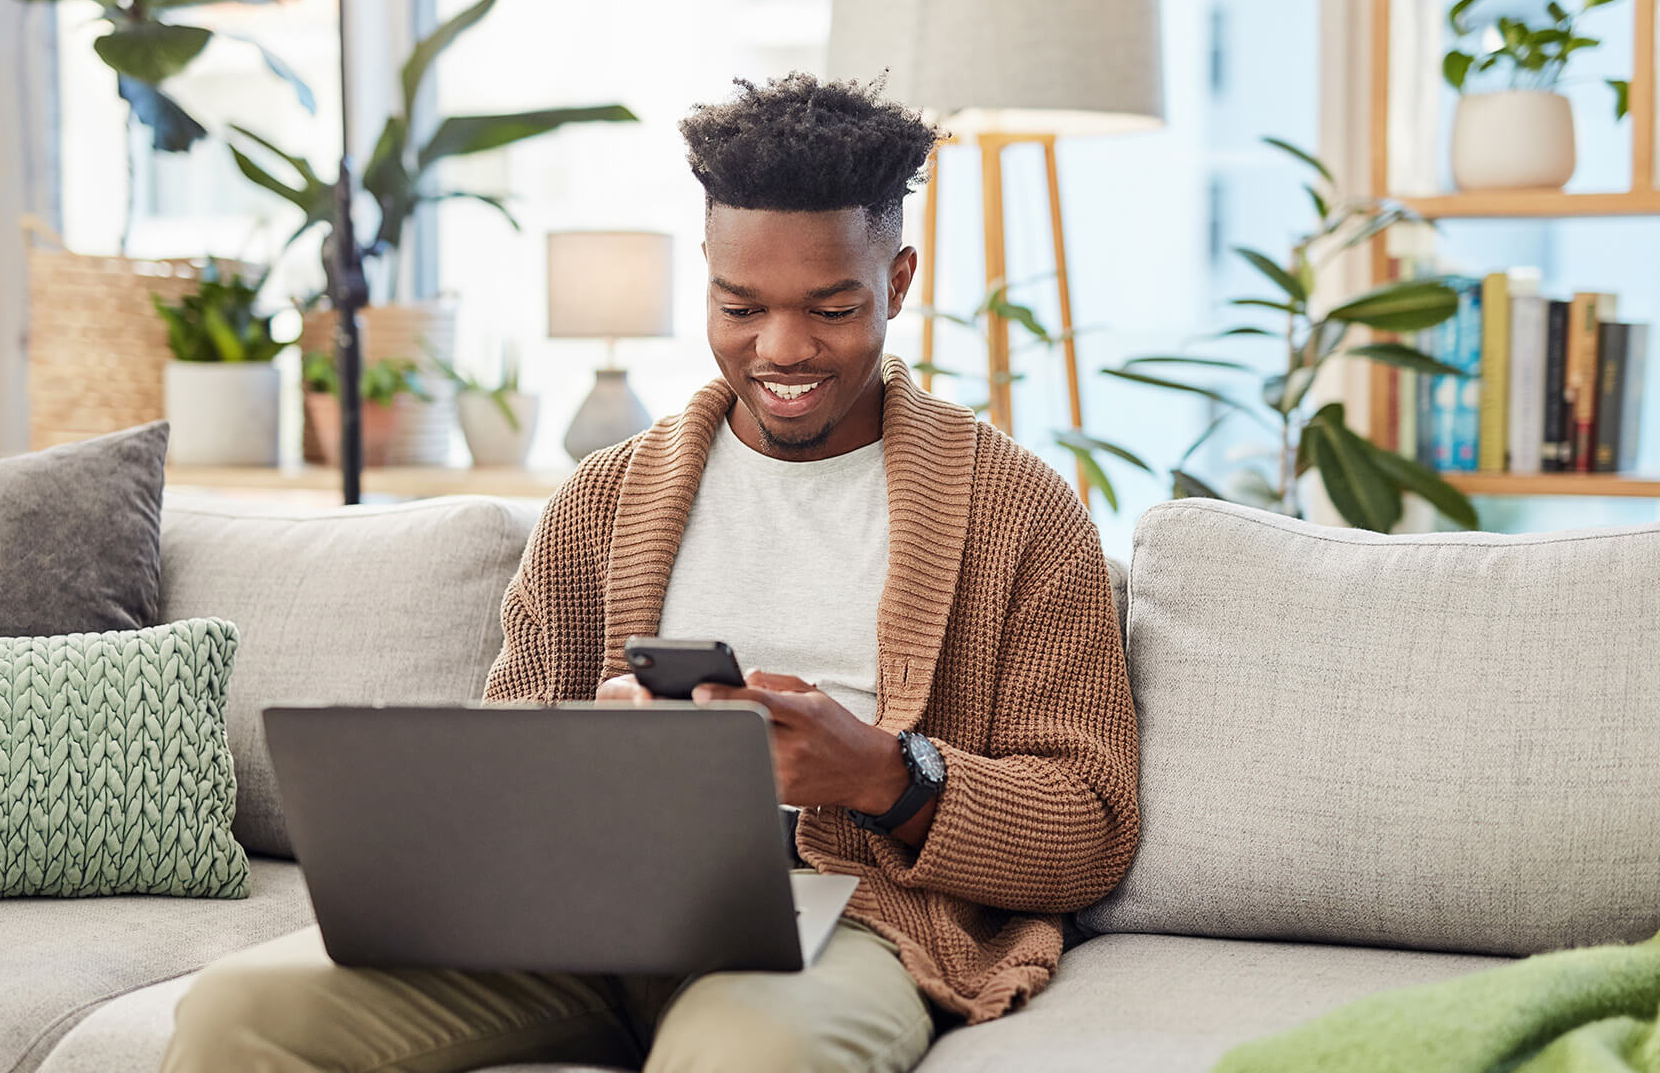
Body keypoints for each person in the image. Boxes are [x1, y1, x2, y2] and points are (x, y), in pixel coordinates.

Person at [162, 72, 1138, 1073]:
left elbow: (1092, 826)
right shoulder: (601, 500)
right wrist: (596, 757)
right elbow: (504, 769)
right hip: (579, 913)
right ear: (706, 283)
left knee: (745, 1054)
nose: (784, 349)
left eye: (833, 308)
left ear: (896, 282)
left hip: (853, 919)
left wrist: (884, 774)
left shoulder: (1019, 512)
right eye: (741, 306)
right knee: (240, 1009)